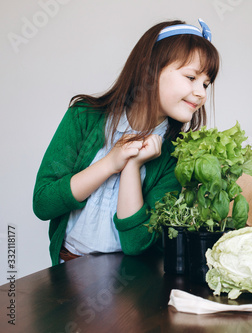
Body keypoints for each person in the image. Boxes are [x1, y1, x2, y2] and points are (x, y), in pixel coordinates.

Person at [33, 19, 220, 265]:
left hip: (131, 278)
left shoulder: (176, 155)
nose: (201, 93)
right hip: (68, 266)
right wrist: (111, 163)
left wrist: (132, 167)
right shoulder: (83, 117)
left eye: (206, 84)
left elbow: (136, 244)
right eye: (191, 77)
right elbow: (43, 204)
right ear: (149, 70)